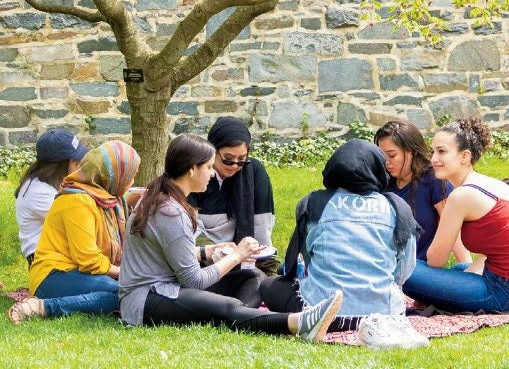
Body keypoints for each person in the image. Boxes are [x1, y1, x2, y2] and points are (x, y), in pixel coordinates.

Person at [119, 134, 343, 341]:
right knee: (227, 305)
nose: (212, 173)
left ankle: (239, 317)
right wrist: (236, 255)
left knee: (251, 277)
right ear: (191, 170)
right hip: (148, 299)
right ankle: (298, 322)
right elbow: (193, 280)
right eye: (208, 167)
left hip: (170, 287)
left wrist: (209, 251)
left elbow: (165, 251)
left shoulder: (165, 199)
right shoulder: (170, 211)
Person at [260, 139, 420, 335]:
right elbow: (406, 266)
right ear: (378, 169)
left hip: (327, 314)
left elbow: (308, 258)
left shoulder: (314, 203)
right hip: (386, 317)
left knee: (268, 285)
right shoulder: (396, 207)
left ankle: (312, 320)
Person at [402, 118, 509, 313]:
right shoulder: (493, 184)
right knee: (458, 270)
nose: (434, 159)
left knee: (401, 267)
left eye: (442, 152)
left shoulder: (461, 196)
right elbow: (499, 249)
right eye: (433, 151)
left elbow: (435, 260)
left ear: (465, 156)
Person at [7, 140, 141, 324]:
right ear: (114, 175)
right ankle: (43, 307)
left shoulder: (108, 200)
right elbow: (88, 260)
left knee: (133, 291)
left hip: (82, 273)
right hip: (54, 275)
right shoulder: (77, 201)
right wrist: (128, 272)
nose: (132, 181)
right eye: (131, 176)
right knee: (125, 294)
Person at [187, 117, 279, 275]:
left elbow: (261, 226)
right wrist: (224, 257)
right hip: (204, 260)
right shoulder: (196, 175)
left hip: (245, 255)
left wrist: (261, 260)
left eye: (242, 159)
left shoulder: (254, 172)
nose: (235, 165)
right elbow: (191, 230)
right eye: (228, 159)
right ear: (212, 151)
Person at [374, 120, 471, 264]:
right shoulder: (381, 182)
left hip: (418, 267)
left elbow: (452, 228)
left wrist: (466, 266)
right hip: (384, 266)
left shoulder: (433, 179)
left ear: (411, 152)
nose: (386, 162)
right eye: (382, 156)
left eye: (392, 155)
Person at [14, 129, 90, 266]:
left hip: (61, 256)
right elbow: (79, 219)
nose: (80, 164)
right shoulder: (39, 193)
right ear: (60, 165)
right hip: (47, 264)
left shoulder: (53, 183)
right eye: (75, 161)